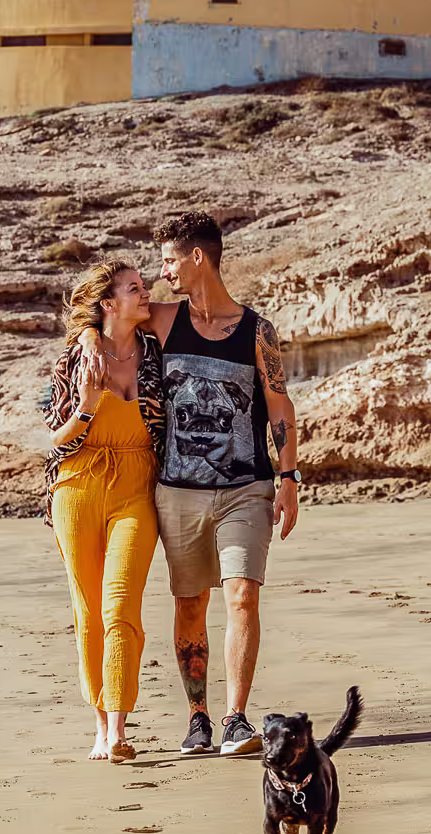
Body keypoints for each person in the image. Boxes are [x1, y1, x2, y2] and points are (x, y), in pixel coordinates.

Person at [77, 211, 300, 757]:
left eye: (170, 260)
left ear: (197, 257)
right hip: (177, 491)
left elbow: (279, 405)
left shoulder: (256, 331)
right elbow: (107, 313)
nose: (163, 272)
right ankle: (198, 718)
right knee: (190, 604)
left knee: (242, 594)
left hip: (246, 487)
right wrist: (87, 336)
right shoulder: (164, 319)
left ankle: (234, 719)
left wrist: (289, 477)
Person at [43, 261, 167, 762]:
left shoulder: (156, 351)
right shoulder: (76, 358)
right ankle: (100, 726)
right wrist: (88, 406)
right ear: (109, 304)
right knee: (88, 610)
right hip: (78, 484)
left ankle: (119, 727)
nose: (146, 292)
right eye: (135, 288)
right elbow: (55, 439)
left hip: (137, 484)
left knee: (121, 604)